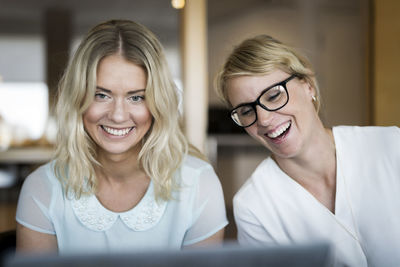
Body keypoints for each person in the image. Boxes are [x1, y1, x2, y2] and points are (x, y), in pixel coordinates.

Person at [16, 19, 228, 254]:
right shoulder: (42, 187)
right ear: (78, 98)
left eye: (136, 97)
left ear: (158, 103)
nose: (118, 116)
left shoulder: (199, 184)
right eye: (101, 95)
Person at [214, 34, 400, 267]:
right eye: (246, 111)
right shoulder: (254, 206)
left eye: (273, 96)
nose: (263, 119)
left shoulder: (391, 146)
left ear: (308, 85)